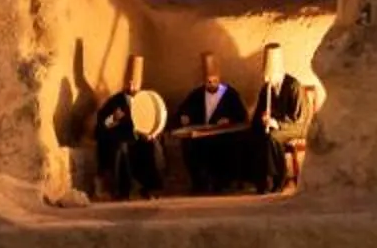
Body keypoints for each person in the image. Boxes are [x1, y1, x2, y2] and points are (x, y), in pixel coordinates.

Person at [174, 52, 255, 194]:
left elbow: (242, 116)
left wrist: (228, 120)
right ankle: (200, 184)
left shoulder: (230, 94)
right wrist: (184, 117)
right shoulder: (197, 94)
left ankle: (222, 183)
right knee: (190, 146)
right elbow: (183, 111)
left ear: (219, 78)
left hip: (222, 136)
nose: (211, 84)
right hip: (200, 137)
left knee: (225, 146)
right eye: (208, 81)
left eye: (214, 80)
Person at [250, 42, 324, 194]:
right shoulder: (267, 88)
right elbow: (259, 112)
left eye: (269, 75)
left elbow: (299, 118)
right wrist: (262, 118)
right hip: (274, 126)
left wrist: (276, 123)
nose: (267, 78)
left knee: (272, 137)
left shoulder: (293, 86)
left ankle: (278, 178)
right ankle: (261, 180)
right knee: (255, 136)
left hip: (294, 127)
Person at [92, 56, 167, 201]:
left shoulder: (145, 99)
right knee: (122, 148)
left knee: (152, 146)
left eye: (135, 84)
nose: (132, 87)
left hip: (140, 138)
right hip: (120, 138)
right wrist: (114, 118)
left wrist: (152, 133)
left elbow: (154, 120)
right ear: (125, 83)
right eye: (129, 83)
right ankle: (122, 190)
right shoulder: (115, 101)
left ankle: (150, 188)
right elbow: (101, 126)